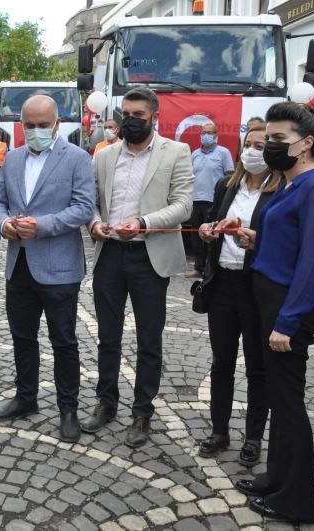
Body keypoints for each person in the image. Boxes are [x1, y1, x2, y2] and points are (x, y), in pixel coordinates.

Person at [233, 102, 314, 523]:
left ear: (307, 142)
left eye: (279, 140)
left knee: (289, 403)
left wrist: (288, 321)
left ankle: (295, 500)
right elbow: (291, 242)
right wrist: (256, 240)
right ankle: (275, 477)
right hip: (270, 296)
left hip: (288, 306)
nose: (270, 147)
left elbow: (313, 261)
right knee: (279, 398)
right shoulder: (294, 183)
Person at [85, 87, 194, 448]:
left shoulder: (175, 152)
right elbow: (93, 201)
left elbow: (183, 205)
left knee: (149, 339)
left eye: (138, 116)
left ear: (154, 118)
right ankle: (106, 402)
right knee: (107, 336)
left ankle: (142, 411)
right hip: (110, 254)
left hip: (149, 255)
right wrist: (95, 223)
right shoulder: (104, 155)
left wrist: (144, 221)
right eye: (126, 115)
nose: (130, 122)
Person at [0, 95, 95, 442]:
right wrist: (3, 224)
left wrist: (44, 225)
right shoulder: (12, 158)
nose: (35, 131)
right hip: (18, 263)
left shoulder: (77, 159)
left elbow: (83, 207)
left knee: (63, 341)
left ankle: (68, 409)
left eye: (42, 125)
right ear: (21, 125)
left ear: (57, 124)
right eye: (29, 125)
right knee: (22, 336)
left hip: (59, 266)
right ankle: (25, 398)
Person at [194, 124, 281, 466]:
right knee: (221, 363)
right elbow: (215, 222)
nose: (254, 151)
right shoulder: (226, 185)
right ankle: (219, 430)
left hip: (256, 288)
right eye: (249, 144)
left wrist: (255, 239)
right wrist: (207, 231)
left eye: (262, 145)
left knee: (257, 368)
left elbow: (284, 240)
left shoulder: (281, 190)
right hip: (223, 287)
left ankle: (254, 437)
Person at [187, 122, 234, 278]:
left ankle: (210, 268)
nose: (206, 135)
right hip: (196, 200)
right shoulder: (195, 154)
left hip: (214, 201)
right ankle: (198, 267)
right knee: (196, 235)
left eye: (210, 132)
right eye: (203, 132)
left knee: (212, 236)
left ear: (216, 135)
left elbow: (229, 176)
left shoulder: (223, 153)